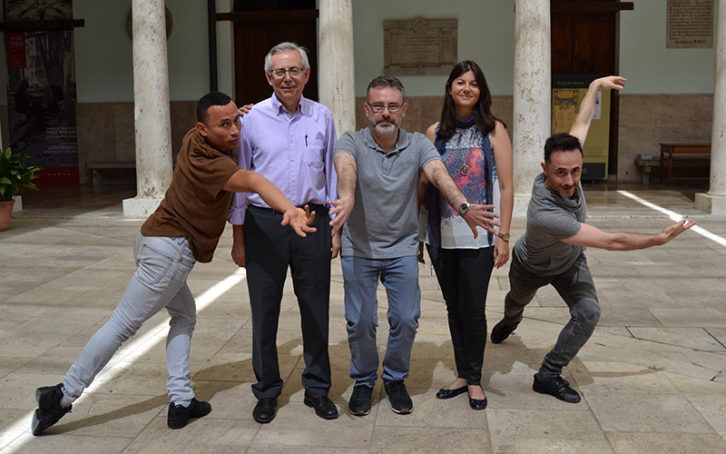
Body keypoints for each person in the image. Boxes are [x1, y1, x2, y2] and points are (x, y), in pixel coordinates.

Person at [31, 92, 316, 436]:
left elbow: (222, 125)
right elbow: (254, 180)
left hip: (153, 242)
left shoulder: (192, 138)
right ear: (203, 129)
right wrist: (289, 208)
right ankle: (62, 396)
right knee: (122, 325)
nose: (235, 131)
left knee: (184, 315)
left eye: (236, 121)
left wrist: (231, 115)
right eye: (224, 125)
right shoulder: (214, 164)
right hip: (169, 253)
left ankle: (181, 399)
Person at [489, 76, 695, 403]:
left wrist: (594, 88)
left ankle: (548, 374)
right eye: (561, 173)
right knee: (517, 301)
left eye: (576, 170)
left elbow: (581, 123)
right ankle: (511, 320)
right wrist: (656, 240)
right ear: (545, 169)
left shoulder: (566, 158)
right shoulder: (544, 213)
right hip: (531, 266)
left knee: (588, 313)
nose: (570, 180)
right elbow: (610, 241)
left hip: (570, 264)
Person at [333, 76, 500, 416]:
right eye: (378, 106)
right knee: (361, 321)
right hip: (360, 247)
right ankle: (364, 380)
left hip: (402, 248)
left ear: (403, 110)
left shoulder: (418, 145)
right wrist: (347, 197)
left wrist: (463, 207)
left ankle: (394, 379)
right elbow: (345, 168)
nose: (385, 113)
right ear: (366, 109)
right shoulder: (350, 141)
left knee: (406, 319)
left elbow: (439, 174)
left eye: (392, 107)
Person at [228, 42, 339, 424]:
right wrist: (239, 236)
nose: (287, 77)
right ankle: (267, 391)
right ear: (268, 77)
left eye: (294, 70)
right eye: (279, 71)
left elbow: (332, 174)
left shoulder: (323, 116)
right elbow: (242, 180)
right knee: (265, 310)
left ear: (307, 75)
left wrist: (335, 228)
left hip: (312, 221)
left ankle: (318, 389)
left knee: (315, 309)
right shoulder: (252, 119)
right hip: (264, 225)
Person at [420, 60, 513, 410]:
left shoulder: (494, 130)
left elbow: (505, 186)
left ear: (481, 91)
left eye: (474, 83)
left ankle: (474, 379)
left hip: (479, 237)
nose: (467, 88)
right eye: (460, 82)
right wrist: (418, 234)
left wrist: (503, 235)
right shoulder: (434, 133)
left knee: (472, 309)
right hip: (441, 235)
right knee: (453, 307)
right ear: (449, 88)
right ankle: (462, 372)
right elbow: (424, 187)